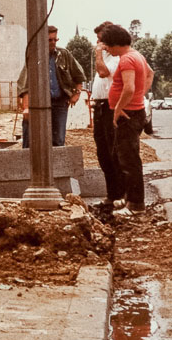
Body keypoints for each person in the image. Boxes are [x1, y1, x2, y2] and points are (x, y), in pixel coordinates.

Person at [100, 24, 154, 217]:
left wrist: (119, 109)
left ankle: (136, 204)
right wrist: (141, 95)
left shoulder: (126, 60)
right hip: (134, 112)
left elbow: (129, 88)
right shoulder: (137, 55)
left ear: (115, 43)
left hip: (128, 115)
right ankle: (131, 198)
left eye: (107, 44)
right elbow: (150, 74)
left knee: (129, 160)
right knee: (125, 157)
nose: (106, 48)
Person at [18, 25, 85, 148]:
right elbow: (25, 83)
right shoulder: (34, 56)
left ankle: (55, 166)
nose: (53, 42)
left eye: (55, 39)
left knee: (58, 140)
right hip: (38, 104)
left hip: (59, 103)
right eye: (50, 40)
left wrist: (77, 93)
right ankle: (30, 164)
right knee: (31, 139)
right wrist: (26, 108)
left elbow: (79, 75)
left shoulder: (64, 55)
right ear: (42, 40)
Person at [91, 21, 125, 207]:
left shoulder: (115, 58)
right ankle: (112, 194)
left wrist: (98, 53)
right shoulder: (105, 56)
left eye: (101, 40)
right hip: (100, 106)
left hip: (111, 106)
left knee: (114, 152)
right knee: (103, 152)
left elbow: (103, 73)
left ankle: (120, 194)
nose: (98, 44)